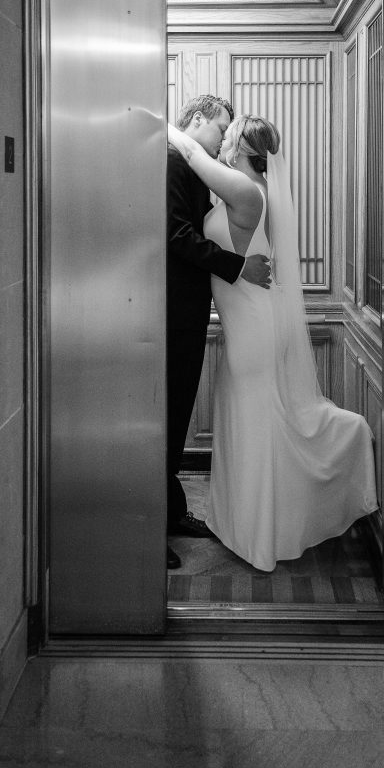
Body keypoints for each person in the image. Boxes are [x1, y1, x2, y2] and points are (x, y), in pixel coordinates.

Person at [167, 114, 379, 572]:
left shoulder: (245, 190)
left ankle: (260, 535)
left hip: (254, 331)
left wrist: (159, 121)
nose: (221, 138)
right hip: (250, 324)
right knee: (248, 423)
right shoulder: (246, 188)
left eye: (228, 132)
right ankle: (244, 524)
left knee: (256, 424)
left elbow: (188, 151)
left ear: (243, 145)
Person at [167, 96, 271, 570]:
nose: (221, 138)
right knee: (165, 421)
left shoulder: (199, 167)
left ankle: (171, 513)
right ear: (196, 121)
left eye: (231, 131)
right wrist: (237, 267)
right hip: (171, 311)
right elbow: (176, 237)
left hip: (194, 312)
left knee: (176, 417)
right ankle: (153, 525)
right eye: (219, 127)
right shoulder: (172, 161)